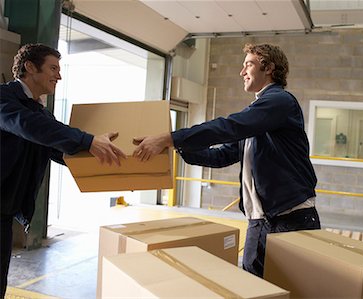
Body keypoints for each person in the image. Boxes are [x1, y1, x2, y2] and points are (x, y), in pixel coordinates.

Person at [132, 43, 321, 277]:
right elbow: (221, 155)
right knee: (253, 284)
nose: (242, 72)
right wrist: (177, 145)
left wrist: (170, 138)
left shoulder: (279, 102)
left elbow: (230, 126)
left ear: (269, 68)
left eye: (248, 65)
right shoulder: (258, 113)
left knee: (292, 287)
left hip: (291, 216)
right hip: (259, 220)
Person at [0, 43, 126, 298]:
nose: (59, 75)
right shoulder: (5, 99)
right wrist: (88, 140)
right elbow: (29, 126)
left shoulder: (39, 112)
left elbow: (61, 150)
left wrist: (116, 165)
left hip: (4, 212)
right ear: (30, 67)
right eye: (53, 68)